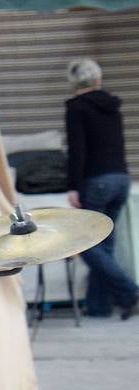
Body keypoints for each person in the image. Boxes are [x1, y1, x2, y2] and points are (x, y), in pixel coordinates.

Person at [65, 58, 137, 319]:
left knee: (85, 243)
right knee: (104, 244)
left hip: (96, 181)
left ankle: (130, 291)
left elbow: (78, 150)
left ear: (74, 81)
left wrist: (73, 186)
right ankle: (99, 306)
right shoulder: (112, 106)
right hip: (120, 179)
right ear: (98, 79)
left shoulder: (77, 108)